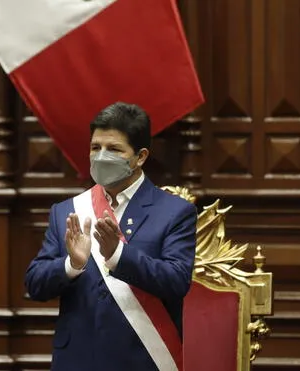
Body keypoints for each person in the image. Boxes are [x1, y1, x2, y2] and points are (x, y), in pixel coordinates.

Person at [25, 102, 197, 371]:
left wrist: (118, 254)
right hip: (78, 360)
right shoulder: (66, 212)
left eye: (114, 149)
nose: (101, 157)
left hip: (143, 359)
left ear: (140, 157)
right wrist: (72, 265)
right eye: (96, 148)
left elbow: (176, 281)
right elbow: (35, 284)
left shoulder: (175, 212)